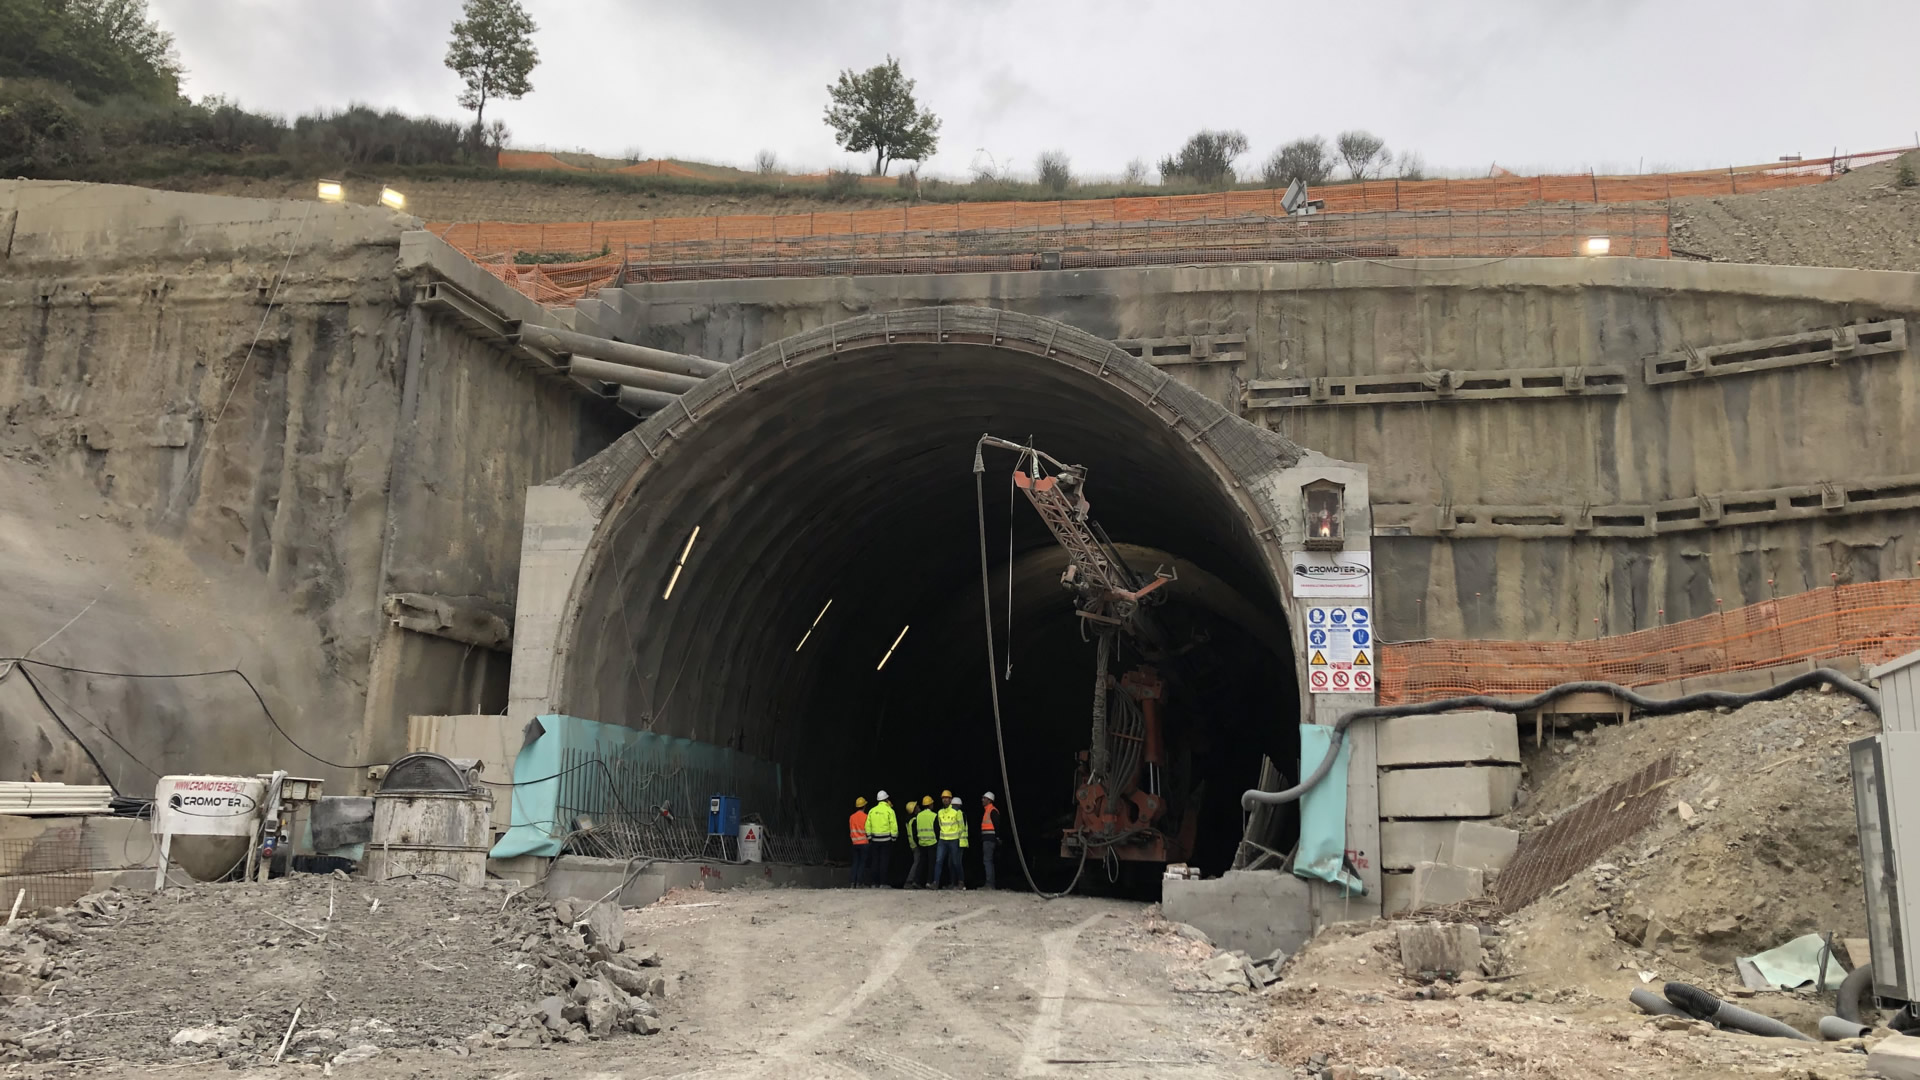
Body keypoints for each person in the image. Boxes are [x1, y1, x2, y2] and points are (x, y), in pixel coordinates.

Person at [934, 794, 969, 890]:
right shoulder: (940, 812)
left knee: (955, 862)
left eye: (947, 798)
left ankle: (960, 882)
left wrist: (956, 836)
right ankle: (936, 883)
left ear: (951, 800)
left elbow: (961, 826)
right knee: (938, 861)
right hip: (943, 840)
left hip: (953, 840)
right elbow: (939, 825)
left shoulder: (957, 812)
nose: (945, 800)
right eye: (943, 798)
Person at [865, 790, 899, 887]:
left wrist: (869, 837)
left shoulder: (872, 811)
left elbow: (868, 825)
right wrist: (894, 838)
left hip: (875, 840)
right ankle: (883, 883)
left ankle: (874, 883)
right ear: (886, 799)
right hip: (886, 840)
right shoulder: (890, 811)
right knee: (884, 862)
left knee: (875, 861)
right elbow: (893, 825)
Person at [907, 796, 937, 887]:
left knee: (921, 863)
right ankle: (929, 882)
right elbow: (936, 830)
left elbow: (916, 832)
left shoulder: (918, 817)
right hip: (932, 842)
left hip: (921, 843)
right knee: (931, 863)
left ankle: (916, 881)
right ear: (931, 804)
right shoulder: (934, 815)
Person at [979, 791, 1000, 890]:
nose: (982, 800)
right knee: (988, 861)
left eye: (984, 798)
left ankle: (989, 884)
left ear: (989, 800)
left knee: (987, 861)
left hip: (989, 839)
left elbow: (997, 826)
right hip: (987, 839)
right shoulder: (988, 810)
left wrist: (997, 838)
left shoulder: (992, 810)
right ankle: (990, 884)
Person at [848, 795, 870, 888]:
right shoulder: (866, 817)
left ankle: (853, 883)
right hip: (864, 843)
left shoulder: (852, 817)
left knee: (855, 863)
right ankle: (859, 883)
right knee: (862, 864)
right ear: (864, 806)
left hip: (855, 843)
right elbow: (868, 830)